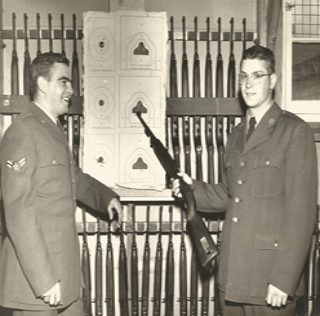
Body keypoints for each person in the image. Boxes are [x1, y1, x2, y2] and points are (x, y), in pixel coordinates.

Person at [172, 45, 318, 315]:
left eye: (257, 76)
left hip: (269, 279)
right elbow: (231, 195)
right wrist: (191, 188)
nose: (248, 84)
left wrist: (284, 279)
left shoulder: (293, 131)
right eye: (243, 76)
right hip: (233, 274)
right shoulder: (237, 134)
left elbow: (302, 214)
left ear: (272, 80)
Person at [0, 52, 123, 316]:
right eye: (63, 82)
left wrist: (105, 197)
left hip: (64, 273)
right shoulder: (23, 131)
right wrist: (43, 279)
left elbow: (70, 177)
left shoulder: (51, 128)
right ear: (43, 85)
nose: (71, 89)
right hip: (36, 282)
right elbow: (18, 211)